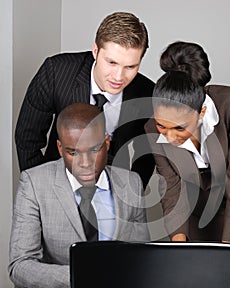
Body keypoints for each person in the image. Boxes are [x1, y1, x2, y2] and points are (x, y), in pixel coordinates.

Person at [145, 41, 230, 271]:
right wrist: (178, 245)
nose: (170, 137)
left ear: (201, 112)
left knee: (227, 271)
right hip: (197, 199)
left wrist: (228, 252)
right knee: (191, 266)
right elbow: (172, 187)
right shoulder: (152, 129)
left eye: (180, 128)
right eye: (163, 126)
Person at [9, 103, 150, 288]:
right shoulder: (34, 183)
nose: (85, 163)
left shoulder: (131, 183)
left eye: (94, 150)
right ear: (60, 148)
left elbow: (141, 254)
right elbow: (20, 265)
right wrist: (79, 278)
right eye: (73, 152)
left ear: (107, 143)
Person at [15, 11, 155, 189]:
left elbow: (147, 155)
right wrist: (41, 189)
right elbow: (27, 137)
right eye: (112, 63)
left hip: (114, 187)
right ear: (95, 51)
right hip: (59, 179)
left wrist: (132, 193)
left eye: (130, 66)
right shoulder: (56, 73)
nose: (119, 77)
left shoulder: (147, 92)